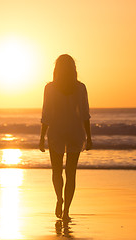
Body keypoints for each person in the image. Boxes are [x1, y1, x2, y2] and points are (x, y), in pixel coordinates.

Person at [39, 54, 92, 221]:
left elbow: (46, 114)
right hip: (75, 132)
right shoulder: (80, 87)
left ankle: (59, 199)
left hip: (56, 131)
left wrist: (41, 138)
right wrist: (89, 138)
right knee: (71, 173)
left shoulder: (50, 88)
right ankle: (67, 211)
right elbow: (85, 115)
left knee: (56, 171)